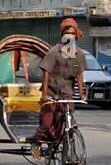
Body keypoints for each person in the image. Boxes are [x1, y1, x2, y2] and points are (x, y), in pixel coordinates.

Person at [33, 17, 86, 157]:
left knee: (67, 120)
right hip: (51, 91)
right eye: (66, 32)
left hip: (67, 93)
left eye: (72, 32)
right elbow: (46, 73)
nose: (69, 35)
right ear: (62, 34)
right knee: (47, 122)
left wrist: (82, 94)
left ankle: (64, 142)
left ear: (76, 35)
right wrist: (44, 94)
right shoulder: (54, 52)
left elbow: (80, 75)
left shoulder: (79, 54)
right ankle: (37, 143)